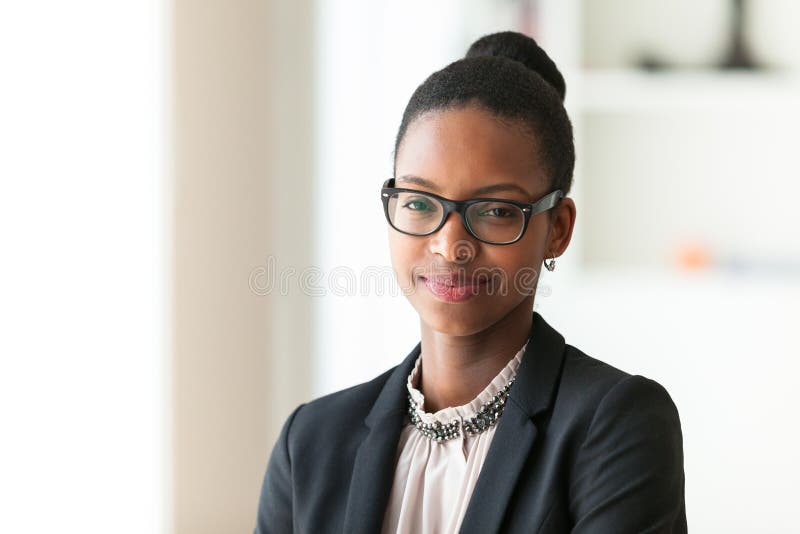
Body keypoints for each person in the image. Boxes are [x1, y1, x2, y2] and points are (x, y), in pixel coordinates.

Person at [254, 31, 687, 534]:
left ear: (558, 230)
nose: (449, 244)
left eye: (497, 211)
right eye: (419, 202)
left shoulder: (613, 425)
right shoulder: (309, 442)